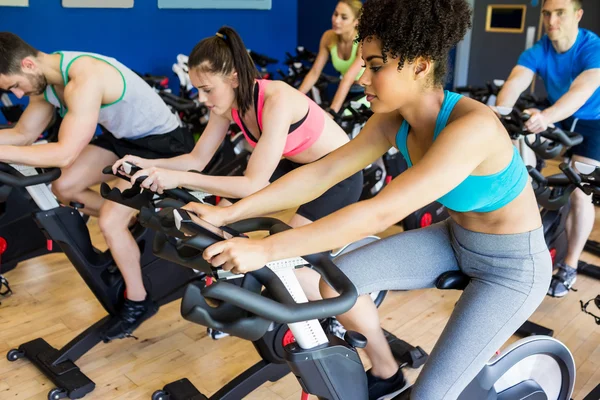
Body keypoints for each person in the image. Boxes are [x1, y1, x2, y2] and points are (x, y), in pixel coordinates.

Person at [185, 1, 552, 399]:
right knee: (336, 284)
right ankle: (386, 371)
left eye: (375, 66)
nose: (361, 77)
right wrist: (231, 212)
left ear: (420, 65)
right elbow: (322, 172)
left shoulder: (473, 128)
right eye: (363, 65)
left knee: (429, 395)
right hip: (455, 239)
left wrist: (266, 249)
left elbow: (382, 211)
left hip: (511, 268)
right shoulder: (394, 119)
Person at [110, 26, 363, 330]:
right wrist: (147, 164)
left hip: (337, 175)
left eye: (207, 89)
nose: (202, 99)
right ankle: (237, 292)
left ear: (233, 78)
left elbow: (253, 183)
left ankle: (335, 317)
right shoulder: (228, 106)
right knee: (215, 219)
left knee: (285, 258)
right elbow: (196, 159)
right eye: (198, 91)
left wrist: (176, 179)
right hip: (297, 166)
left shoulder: (276, 99)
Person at [0, 32, 195, 340]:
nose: (19, 94)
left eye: (14, 85)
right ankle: (133, 224)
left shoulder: (83, 76)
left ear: (27, 64)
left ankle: (138, 300)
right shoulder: (45, 81)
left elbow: (64, 153)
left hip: (162, 146)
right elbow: (24, 133)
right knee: (63, 187)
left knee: (109, 221)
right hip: (122, 140)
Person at [495, 0, 600, 297]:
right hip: (559, 116)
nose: (551, 20)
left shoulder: (592, 48)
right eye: (546, 13)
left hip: (594, 121)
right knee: (526, 174)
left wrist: (548, 116)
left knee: (580, 193)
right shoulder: (539, 49)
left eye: (560, 13)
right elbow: (517, 80)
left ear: (577, 15)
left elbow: (582, 90)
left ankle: (570, 265)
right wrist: (501, 113)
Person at [297, 0, 366, 114]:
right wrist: (296, 97)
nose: (336, 20)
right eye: (335, 14)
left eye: (344, 17)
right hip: (346, 90)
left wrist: (332, 111)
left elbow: (347, 78)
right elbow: (315, 72)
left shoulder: (362, 41)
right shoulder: (328, 37)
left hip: (365, 92)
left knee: (341, 119)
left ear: (356, 22)